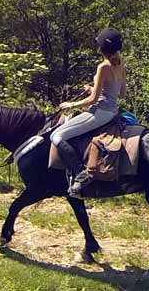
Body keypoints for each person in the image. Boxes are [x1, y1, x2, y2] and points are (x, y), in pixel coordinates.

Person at [51, 28, 126, 199]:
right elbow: (121, 94)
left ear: (101, 48)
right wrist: (94, 88)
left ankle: (82, 175)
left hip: (99, 112)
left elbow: (93, 100)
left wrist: (70, 104)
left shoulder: (103, 67)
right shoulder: (121, 65)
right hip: (112, 112)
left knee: (57, 137)